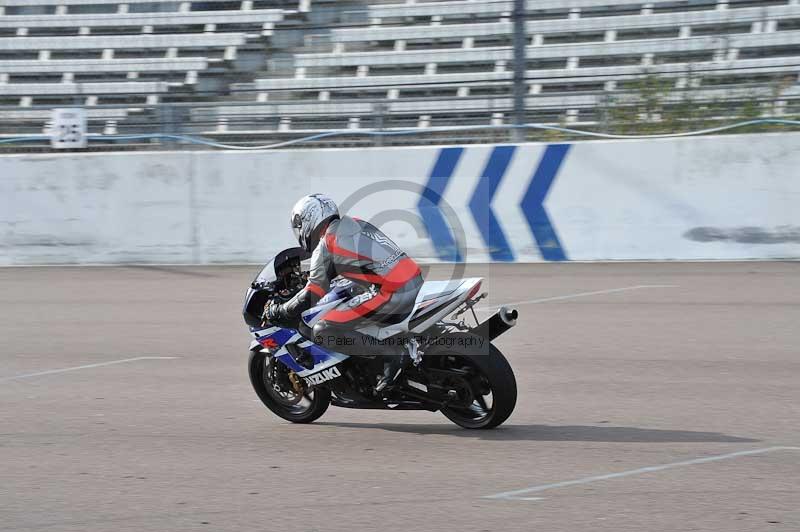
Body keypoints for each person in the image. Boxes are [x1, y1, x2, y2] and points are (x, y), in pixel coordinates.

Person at [266, 193, 424, 392]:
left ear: (308, 221)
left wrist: (281, 310)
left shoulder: (325, 243)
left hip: (392, 293)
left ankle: (391, 355)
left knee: (324, 330)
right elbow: (363, 263)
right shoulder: (356, 223)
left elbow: (312, 293)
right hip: (414, 278)